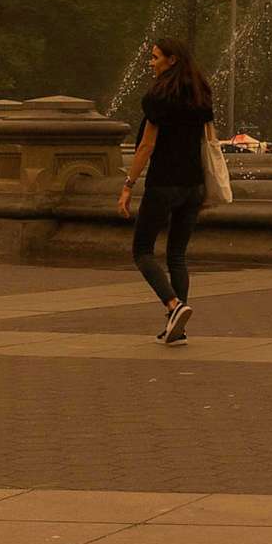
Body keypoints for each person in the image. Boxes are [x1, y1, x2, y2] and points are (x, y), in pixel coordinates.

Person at [118, 38, 213, 344]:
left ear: (172, 61)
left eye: (156, 57)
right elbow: (209, 141)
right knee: (177, 255)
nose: (151, 62)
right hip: (193, 186)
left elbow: (147, 145)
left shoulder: (158, 98)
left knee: (142, 251)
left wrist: (128, 185)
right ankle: (178, 327)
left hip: (164, 184)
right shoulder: (201, 95)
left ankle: (174, 306)